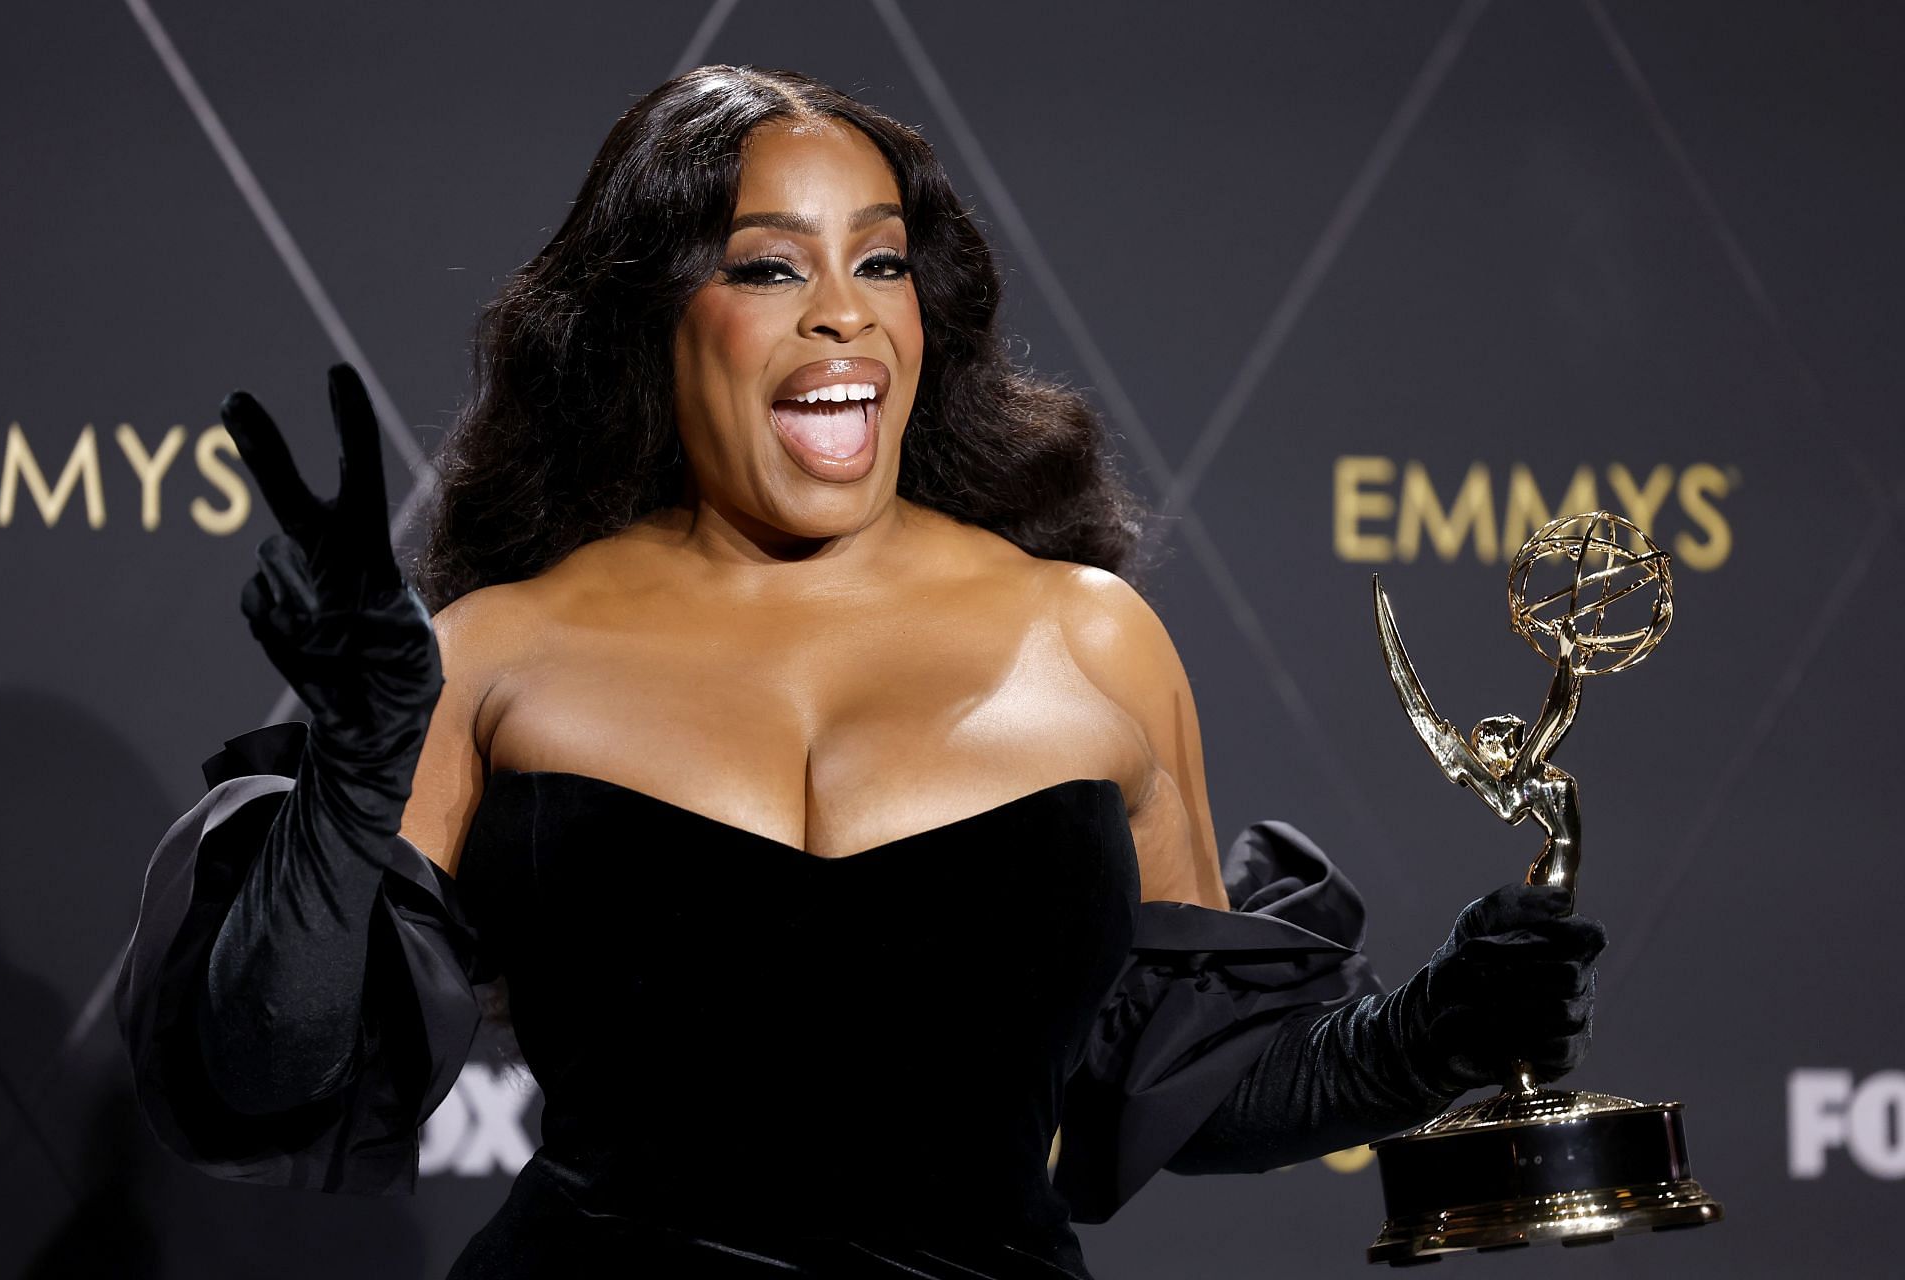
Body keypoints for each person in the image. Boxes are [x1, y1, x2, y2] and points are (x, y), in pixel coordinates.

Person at [114, 65, 1605, 1279]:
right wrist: (361, 761)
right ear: (650, 320)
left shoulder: (1088, 639)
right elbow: (261, 1073)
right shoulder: (498, 652)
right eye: (768, 265)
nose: (844, 311)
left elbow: (1180, 1087)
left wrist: (1436, 1034)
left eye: (879, 258)